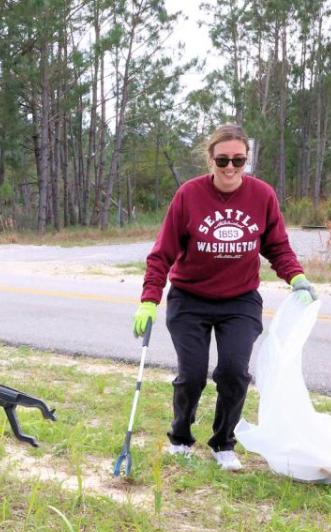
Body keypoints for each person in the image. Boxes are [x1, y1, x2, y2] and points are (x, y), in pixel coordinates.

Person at [134, 123, 317, 472]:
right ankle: (181, 438)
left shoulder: (262, 195)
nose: (230, 168)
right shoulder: (189, 195)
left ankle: (223, 443)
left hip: (240, 300)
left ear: (247, 159)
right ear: (210, 160)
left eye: (238, 160)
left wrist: (297, 277)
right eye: (223, 160)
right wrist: (149, 299)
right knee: (192, 374)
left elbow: (276, 245)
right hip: (189, 299)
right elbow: (162, 254)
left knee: (234, 372)